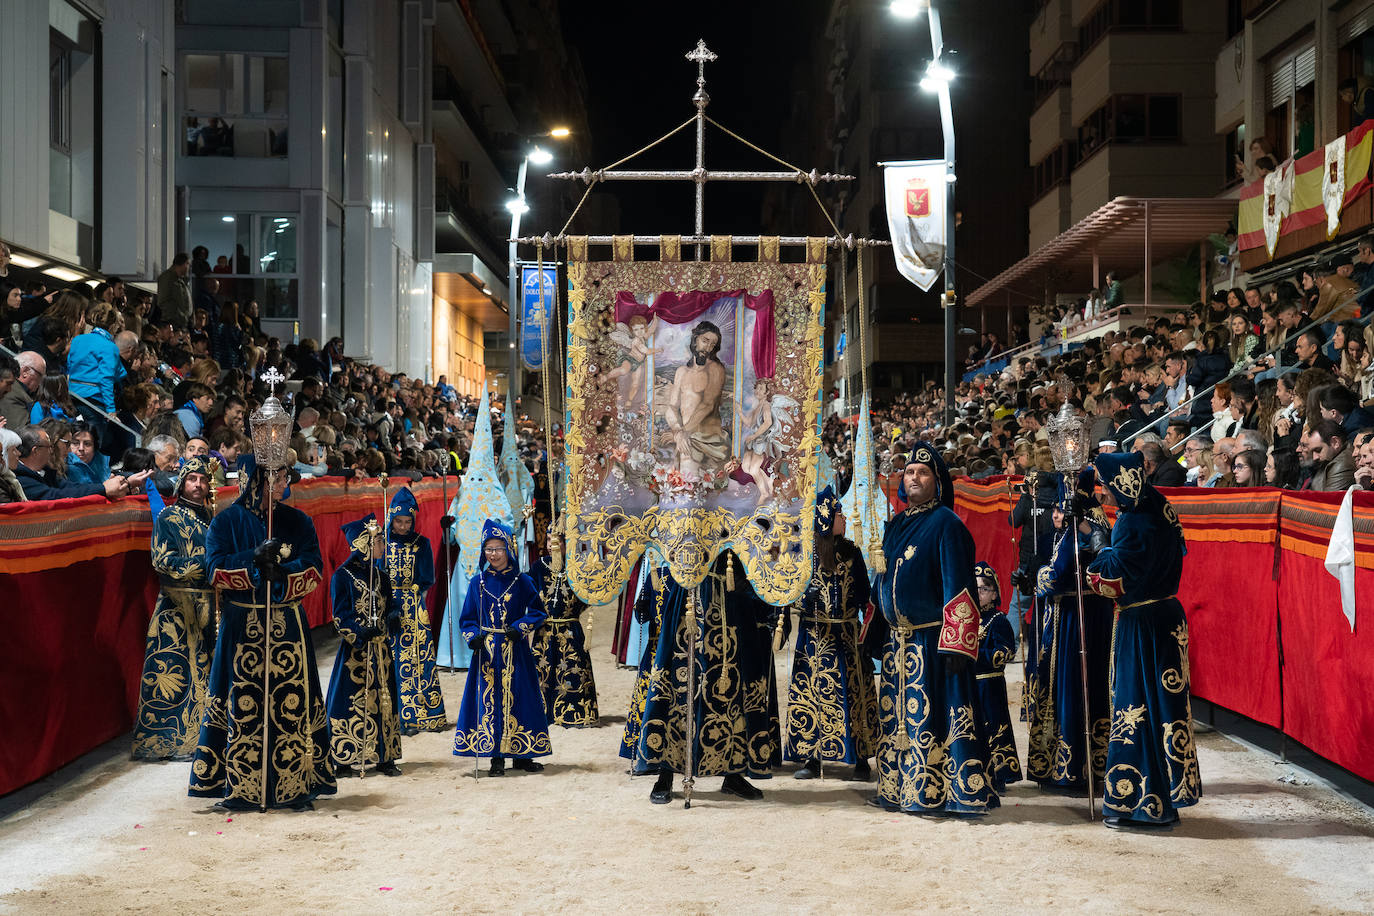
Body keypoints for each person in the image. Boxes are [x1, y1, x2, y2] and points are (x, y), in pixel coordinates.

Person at [190, 457, 335, 811]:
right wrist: (252, 560)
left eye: (285, 475)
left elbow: (314, 566)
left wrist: (282, 573)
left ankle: (295, 784)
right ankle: (239, 786)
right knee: (239, 701)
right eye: (279, 476)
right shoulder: (226, 521)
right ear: (257, 479)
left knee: (292, 702)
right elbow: (213, 570)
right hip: (242, 625)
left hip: (286, 621)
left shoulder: (297, 521)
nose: (285, 482)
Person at [869, 444, 994, 816]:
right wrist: (873, 632)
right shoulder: (896, 525)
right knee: (899, 721)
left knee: (932, 719)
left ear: (937, 483)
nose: (914, 478)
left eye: (922, 473)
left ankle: (940, 793)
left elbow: (959, 587)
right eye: (909, 472)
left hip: (932, 643)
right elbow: (884, 581)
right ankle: (900, 789)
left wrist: (958, 646)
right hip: (898, 645)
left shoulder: (946, 524)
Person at [1085, 451, 1201, 830]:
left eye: (1105, 485)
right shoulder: (1156, 502)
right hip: (1165, 615)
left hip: (1143, 622)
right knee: (1161, 707)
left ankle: (1140, 802)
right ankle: (1164, 798)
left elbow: (1112, 578)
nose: (1103, 493)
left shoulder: (1132, 521)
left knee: (1136, 706)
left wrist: (1099, 546)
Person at [631, 549, 781, 804]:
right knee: (678, 685)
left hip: (732, 597)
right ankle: (666, 773)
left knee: (732, 686)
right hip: (687, 598)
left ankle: (733, 771)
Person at [780, 488, 877, 780]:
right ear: (824, 518)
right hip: (813, 636)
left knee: (854, 692)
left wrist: (868, 637)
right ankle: (811, 757)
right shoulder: (803, 551)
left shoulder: (852, 552)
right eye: (838, 514)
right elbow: (786, 587)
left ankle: (860, 755)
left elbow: (865, 597)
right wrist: (799, 599)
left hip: (847, 633)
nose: (844, 518)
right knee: (812, 693)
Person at [1028, 470, 1113, 795]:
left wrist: (1038, 575)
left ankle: (1071, 767)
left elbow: (1058, 575)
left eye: (1061, 508)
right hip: (1080, 617)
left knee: (1073, 687)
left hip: (1076, 622)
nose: (1057, 514)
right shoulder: (1091, 523)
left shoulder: (1083, 528)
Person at [131, 457, 217, 761]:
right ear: (182, 483)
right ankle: (168, 740)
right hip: (177, 610)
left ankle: (205, 735)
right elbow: (162, 562)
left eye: (203, 479)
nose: (198, 485)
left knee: (208, 674)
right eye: (192, 478)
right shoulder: (169, 517)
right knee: (176, 675)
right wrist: (206, 566)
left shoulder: (212, 516)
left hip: (210, 606)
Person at [452, 520, 550, 776]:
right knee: (490, 700)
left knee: (521, 697)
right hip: (488, 654)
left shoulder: (522, 581)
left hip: (516, 650)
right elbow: (468, 619)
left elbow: (539, 612)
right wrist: (472, 636)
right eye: (488, 549)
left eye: (498, 548)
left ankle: (523, 753)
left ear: (509, 549)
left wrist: (520, 626)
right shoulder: (478, 583)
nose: (493, 554)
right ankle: (495, 756)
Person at [326, 514, 403, 777]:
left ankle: (384, 755)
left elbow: (390, 604)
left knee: (384, 700)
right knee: (351, 701)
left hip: (381, 650)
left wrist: (394, 614)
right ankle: (345, 757)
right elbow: (340, 616)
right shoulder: (342, 577)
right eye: (380, 541)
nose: (384, 545)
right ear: (364, 543)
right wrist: (359, 633)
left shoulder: (381, 576)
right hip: (355, 653)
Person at [384, 486, 447, 734]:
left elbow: (427, 578)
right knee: (391, 659)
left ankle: (422, 714)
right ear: (391, 518)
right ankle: (395, 715)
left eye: (407, 521)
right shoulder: (383, 543)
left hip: (412, 606)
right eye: (398, 521)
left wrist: (411, 595)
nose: (402, 526)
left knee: (418, 660)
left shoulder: (422, 543)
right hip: (387, 605)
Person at [528, 530, 599, 728]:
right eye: (549, 540)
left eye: (558, 540)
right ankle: (542, 712)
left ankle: (572, 713)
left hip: (570, 628)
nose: (552, 544)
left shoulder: (578, 567)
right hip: (544, 630)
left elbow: (589, 594)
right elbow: (528, 590)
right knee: (541, 672)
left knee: (572, 670)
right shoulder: (539, 566)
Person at [973, 561, 1021, 793]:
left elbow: (1006, 651)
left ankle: (1000, 774)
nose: (978, 593)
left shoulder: (998, 620)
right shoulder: (966, 619)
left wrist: (973, 654)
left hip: (990, 685)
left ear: (994, 594)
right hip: (970, 685)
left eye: (983, 589)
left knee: (994, 728)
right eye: (974, 588)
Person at [14, 426, 137, 501]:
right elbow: (55, 496)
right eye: (49, 446)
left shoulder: (46, 472)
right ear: (35, 451)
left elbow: (72, 487)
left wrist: (116, 485)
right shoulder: (20, 478)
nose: (52, 451)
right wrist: (104, 488)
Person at [1306, 419, 1356, 491]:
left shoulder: (1342, 464)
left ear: (1335, 442)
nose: (1314, 457)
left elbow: (1327, 500)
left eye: (1318, 450)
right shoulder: (1331, 458)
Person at [0, 351, 45, 430]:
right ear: (25, 372)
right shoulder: (15, 394)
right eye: (40, 375)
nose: (9, 389)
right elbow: (18, 431)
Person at [157, 253, 193, 331]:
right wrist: (180, 316)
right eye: (187, 264)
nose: (188, 268)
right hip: (173, 323)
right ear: (182, 264)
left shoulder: (181, 280)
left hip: (181, 323)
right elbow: (164, 300)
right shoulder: (167, 278)